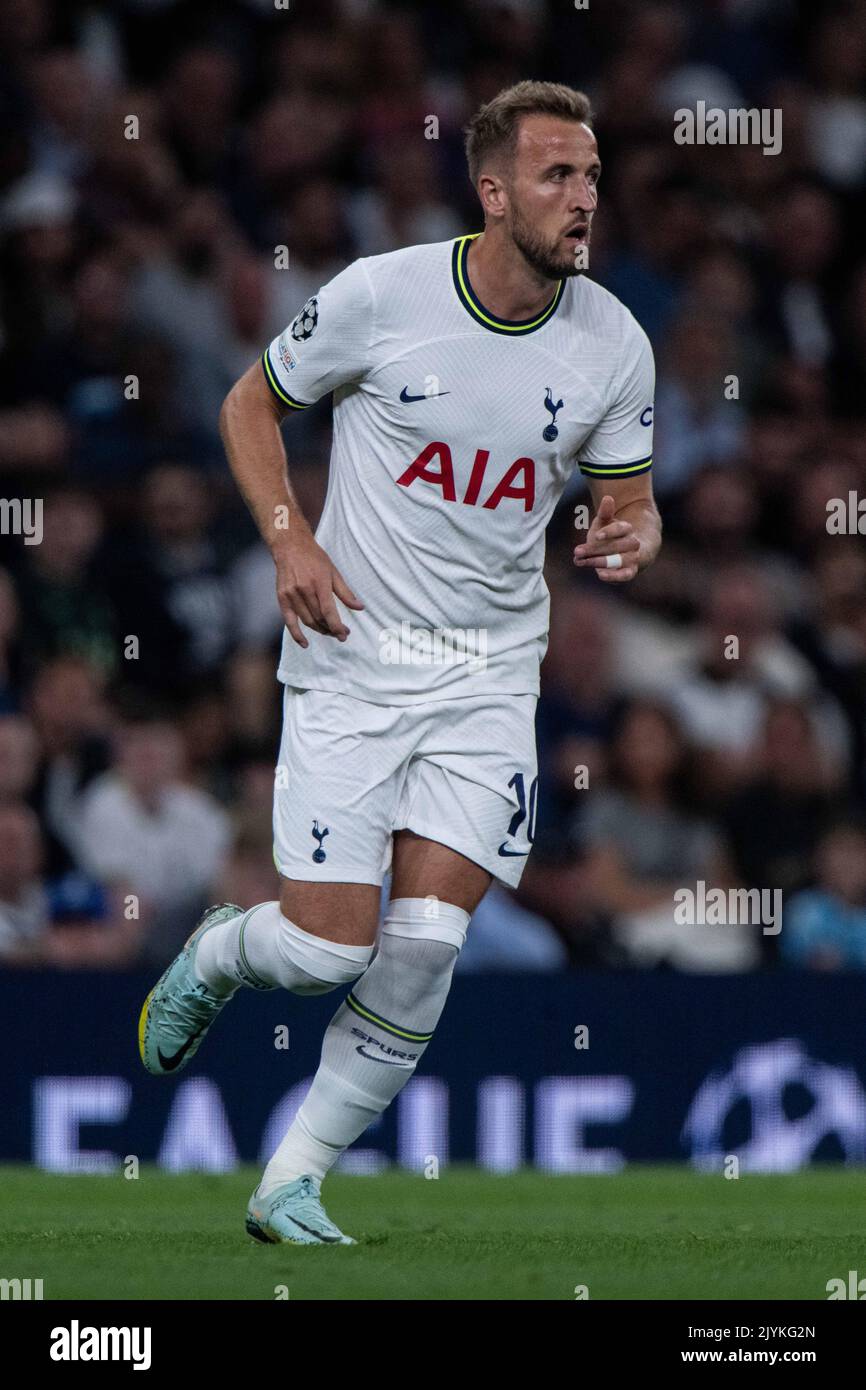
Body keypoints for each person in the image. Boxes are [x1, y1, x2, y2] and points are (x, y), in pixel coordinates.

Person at [138, 81, 662, 1245]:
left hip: (487, 673)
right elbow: (247, 406)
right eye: (555, 177)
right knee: (324, 943)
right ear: (491, 192)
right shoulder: (382, 295)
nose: (583, 201)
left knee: (425, 946)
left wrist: (635, 527)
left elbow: (629, 499)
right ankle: (225, 950)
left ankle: (291, 1179)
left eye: (589, 176)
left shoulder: (615, 344)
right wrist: (290, 540)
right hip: (353, 653)